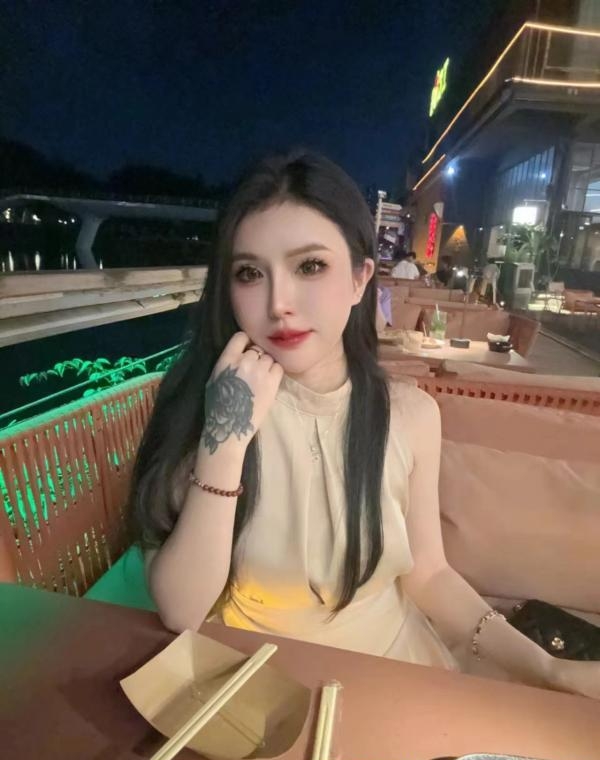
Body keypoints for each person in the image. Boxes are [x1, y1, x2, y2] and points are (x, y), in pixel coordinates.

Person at [130, 149, 600, 699]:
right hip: (254, 686)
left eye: (310, 266)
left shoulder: (410, 414)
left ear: (360, 280)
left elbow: (429, 574)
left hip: (390, 672)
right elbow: (182, 610)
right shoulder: (205, 403)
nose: (279, 303)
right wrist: (226, 439)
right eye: (250, 273)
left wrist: (546, 669)